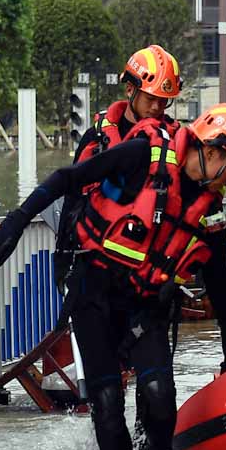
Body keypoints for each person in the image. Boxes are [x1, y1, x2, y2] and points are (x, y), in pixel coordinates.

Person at [0, 103, 226, 450]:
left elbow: (218, 280)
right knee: (108, 400)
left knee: (160, 395)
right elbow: (67, 177)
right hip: (94, 292)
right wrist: (14, 223)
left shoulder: (210, 206)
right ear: (213, 150)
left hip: (144, 304)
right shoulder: (143, 154)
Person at [55, 46, 185, 280]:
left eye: (164, 101)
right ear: (130, 89)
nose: (156, 107)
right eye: (150, 99)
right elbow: (72, 196)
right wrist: (63, 254)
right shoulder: (96, 139)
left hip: (147, 272)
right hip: (94, 263)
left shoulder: (175, 143)